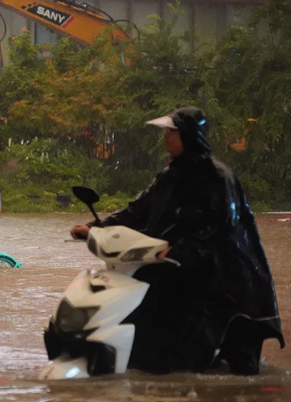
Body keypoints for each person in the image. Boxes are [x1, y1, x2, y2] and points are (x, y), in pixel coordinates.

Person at [71, 106, 284, 375]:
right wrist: (95, 228)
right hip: (178, 266)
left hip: (226, 278)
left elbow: (222, 225)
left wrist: (181, 249)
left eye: (171, 131)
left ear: (189, 135)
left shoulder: (218, 176)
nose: (166, 137)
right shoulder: (170, 175)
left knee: (237, 359)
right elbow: (138, 210)